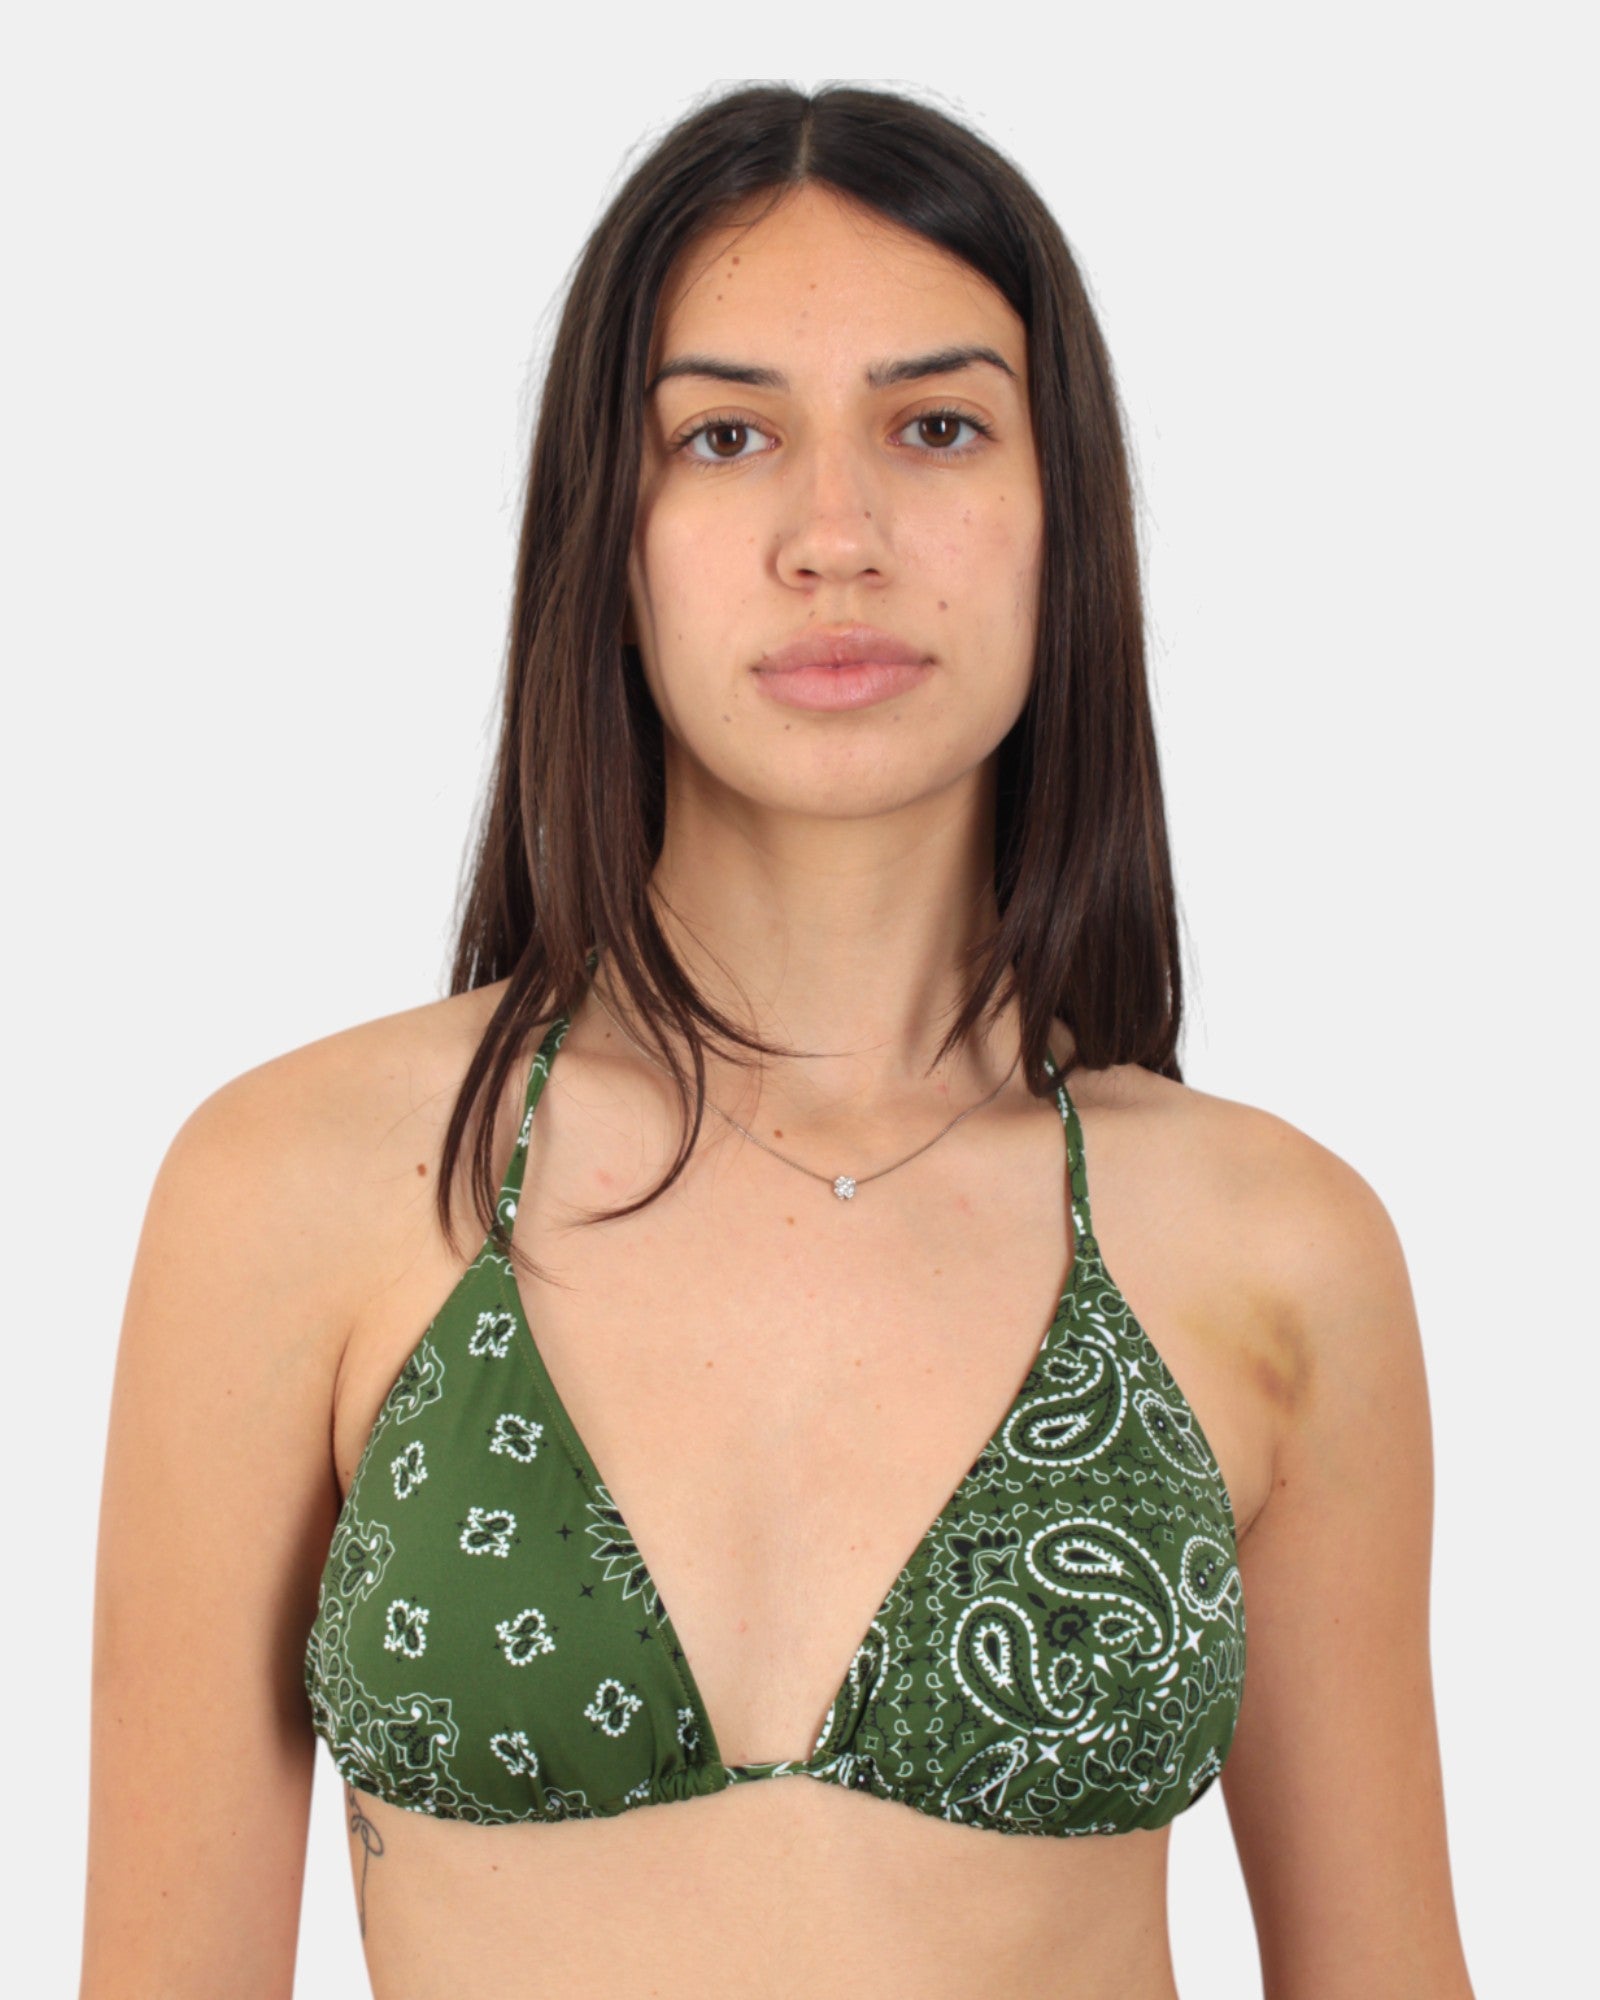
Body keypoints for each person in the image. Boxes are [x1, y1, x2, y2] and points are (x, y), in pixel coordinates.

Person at [79, 82, 1476, 2000]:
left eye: (938, 426)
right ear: (611, 529)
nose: (838, 533)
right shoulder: (300, 1191)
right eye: (726, 435)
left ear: (1064, 520)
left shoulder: (1274, 1247)